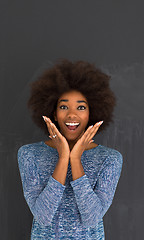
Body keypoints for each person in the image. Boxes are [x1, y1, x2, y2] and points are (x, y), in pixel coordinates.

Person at [17, 59, 123, 239]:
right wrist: (63, 157)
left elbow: (91, 218)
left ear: (92, 113)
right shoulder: (29, 155)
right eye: (63, 106)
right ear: (54, 114)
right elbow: (43, 217)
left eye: (81, 107)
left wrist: (75, 160)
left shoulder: (109, 159)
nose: (72, 114)